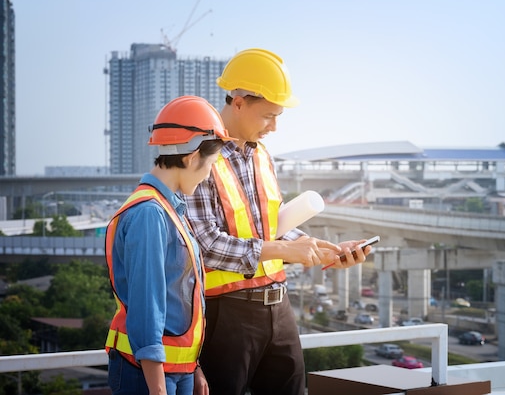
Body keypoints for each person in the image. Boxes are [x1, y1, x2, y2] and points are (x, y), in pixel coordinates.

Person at [185, 48, 372, 395]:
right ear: (238, 102)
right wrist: (285, 249)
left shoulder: (261, 154)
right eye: (268, 116)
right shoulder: (201, 156)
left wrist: (321, 249)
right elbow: (205, 245)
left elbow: (273, 224)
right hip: (226, 314)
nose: (274, 126)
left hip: (279, 308)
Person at [105, 95, 236, 395]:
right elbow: (147, 306)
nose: (207, 177)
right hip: (148, 376)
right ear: (191, 158)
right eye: (210, 166)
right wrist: (159, 389)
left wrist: (194, 366)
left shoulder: (170, 208)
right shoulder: (149, 214)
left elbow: (180, 297)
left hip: (178, 370)